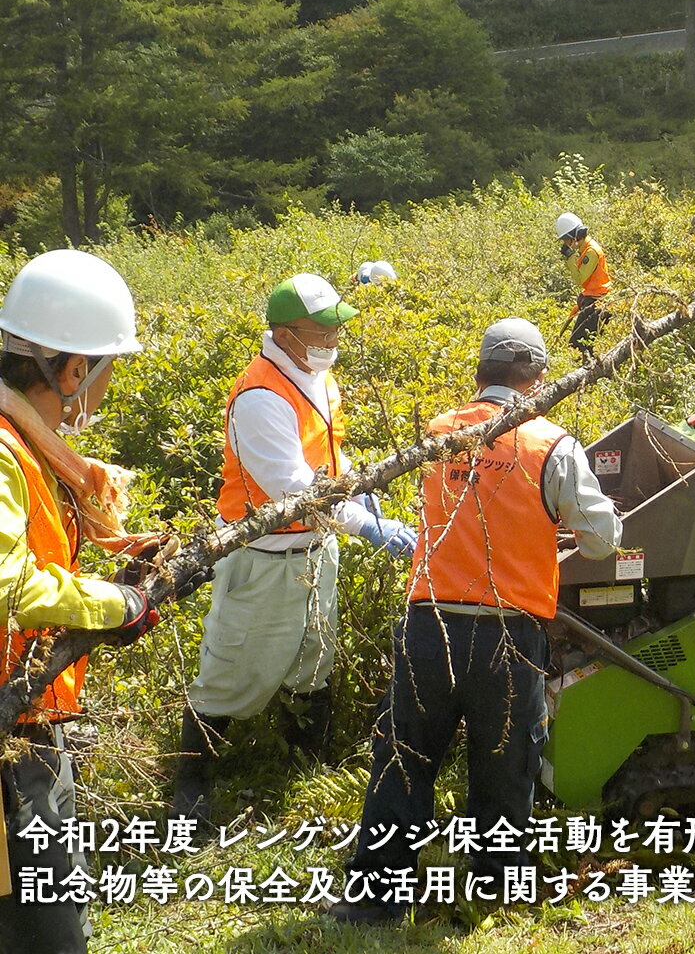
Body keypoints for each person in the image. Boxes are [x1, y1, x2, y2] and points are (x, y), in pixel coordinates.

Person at [328, 317, 622, 926]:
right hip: (506, 638)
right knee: (505, 765)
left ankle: (374, 903)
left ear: (482, 375)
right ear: (537, 378)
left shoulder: (440, 433)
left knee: (404, 760)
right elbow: (602, 540)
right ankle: (496, 891)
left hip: (427, 626)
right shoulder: (550, 443)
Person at [171, 273, 417, 822]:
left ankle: (304, 766)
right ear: (284, 333)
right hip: (263, 555)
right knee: (231, 667)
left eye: (335, 330)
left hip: (314, 549)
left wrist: (361, 488)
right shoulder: (260, 396)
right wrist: (367, 526)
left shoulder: (312, 375)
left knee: (313, 653)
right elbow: (295, 490)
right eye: (320, 332)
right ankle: (192, 782)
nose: (331, 342)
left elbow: (327, 453)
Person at [0, 249, 185, 954]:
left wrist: (114, 577)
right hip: (11, 734)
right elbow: (7, 581)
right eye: (105, 369)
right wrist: (116, 605)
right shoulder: (4, 450)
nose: (103, 388)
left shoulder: (30, 445)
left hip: (33, 719)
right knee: (45, 932)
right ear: (70, 370)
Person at [556, 211, 611, 359]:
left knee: (578, 347)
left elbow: (580, 279)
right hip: (592, 299)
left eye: (566, 241)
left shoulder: (591, 252)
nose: (566, 245)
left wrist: (570, 258)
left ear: (574, 237)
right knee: (584, 345)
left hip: (597, 302)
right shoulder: (584, 250)